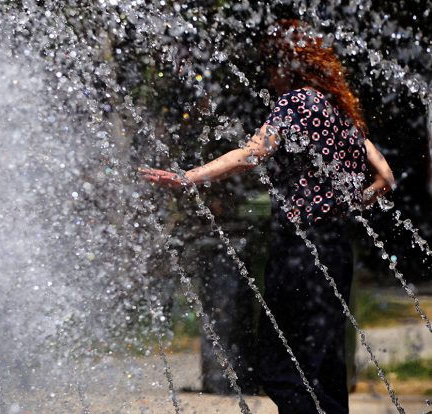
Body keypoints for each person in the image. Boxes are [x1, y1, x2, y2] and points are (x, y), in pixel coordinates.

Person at [139, 20, 394, 414]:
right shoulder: (342, 115)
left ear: (287, 65)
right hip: (336, 248)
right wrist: (347, 204)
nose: (269, 77)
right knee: (324, 367)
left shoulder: (296, 102)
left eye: (271, 66)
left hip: (300, 251)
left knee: (280, 368)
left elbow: (252, 153)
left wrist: (189, 177)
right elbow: (386, 177)